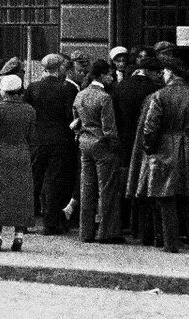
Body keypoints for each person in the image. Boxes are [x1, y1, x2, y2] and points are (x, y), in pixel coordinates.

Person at [128, 61, 189, 253]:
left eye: (164, 71)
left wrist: (148, 148)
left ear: (171, 73)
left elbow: (150, 128)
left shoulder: (159, 95)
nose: (162, 74)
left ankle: (171, 243)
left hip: (165, 148)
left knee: (166, 198)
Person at [0, 73, 35, 251]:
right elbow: (32, 136)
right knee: (21, 194)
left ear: (4, 92)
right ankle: (19, 236)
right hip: (21, 153)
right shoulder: (30, 110)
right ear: (19, 91)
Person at [25, 53, 76, 236]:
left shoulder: (32, 88)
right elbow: (70, 116)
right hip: (59, 140)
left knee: (34, 179)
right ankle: (50, 223)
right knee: (53, 180)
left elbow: (28, 112)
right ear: (60, 67)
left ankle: (24, 222)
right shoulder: (66, 88)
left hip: (37, 140)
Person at [73, 60, 123, 244]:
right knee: (107, 189)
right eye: (110, 74)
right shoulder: (105, 98)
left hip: (84, 143)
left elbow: (75, 122)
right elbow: (109, 129)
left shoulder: (80, 94)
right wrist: (115, 146)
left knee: (87, 188)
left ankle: (85, 232)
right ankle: (106, 232)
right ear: (102, 75)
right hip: (102, 144)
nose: (112, 77)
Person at [115, 54, 162, 243]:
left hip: (124, 140)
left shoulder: (121, 87)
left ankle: (125, 222)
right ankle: (143, 229)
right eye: (158, 72)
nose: (160, 76)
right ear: (150, 71)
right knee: (144, 185)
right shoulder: (155, 90)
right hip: (146, 142)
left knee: (125, 181)